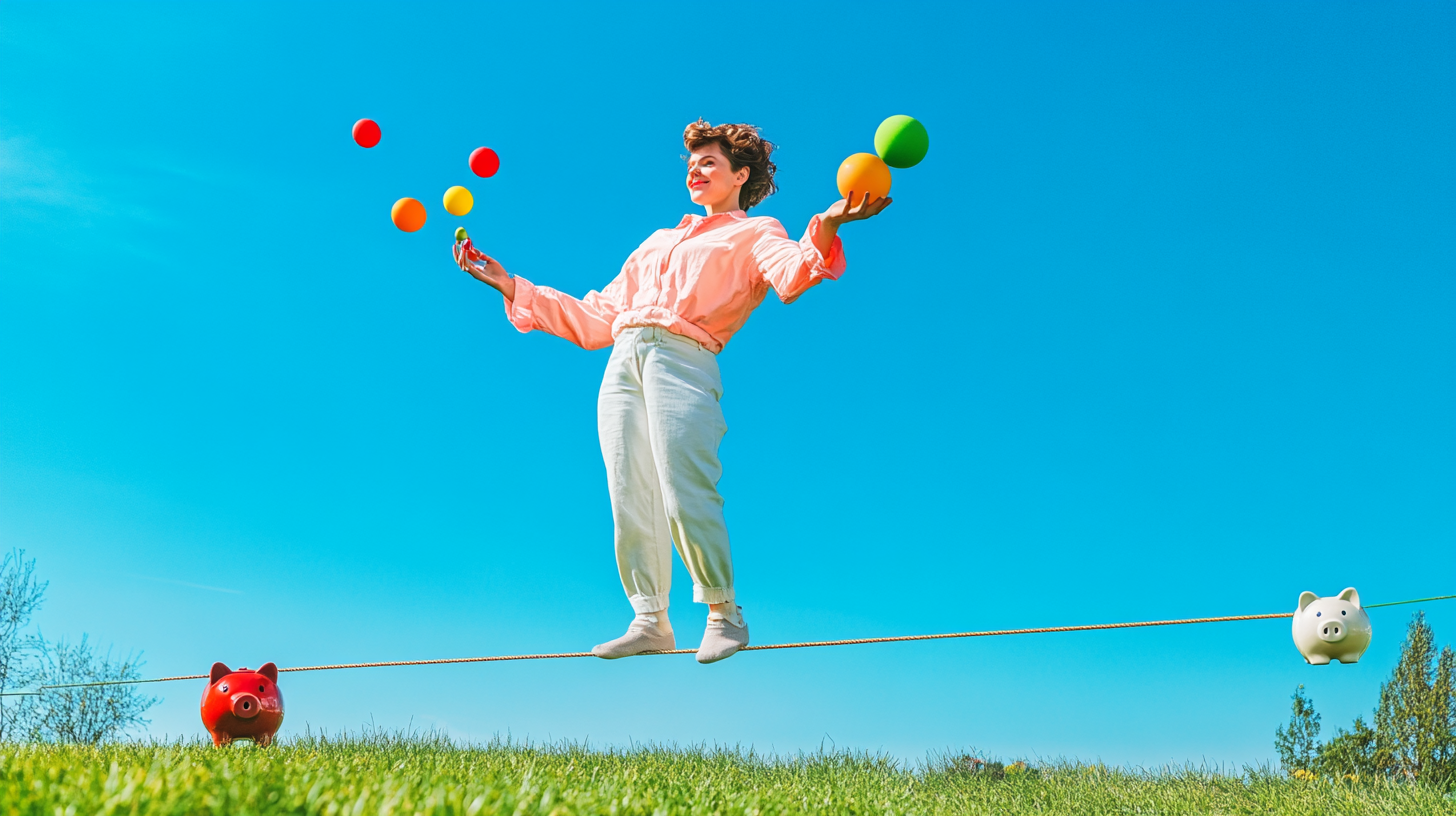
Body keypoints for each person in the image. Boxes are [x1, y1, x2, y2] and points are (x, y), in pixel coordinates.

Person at [453, 119, 890, 663]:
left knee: (684, 485)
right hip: (623, 359)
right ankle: (649, 620)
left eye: (709, 163)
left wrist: (825, 223)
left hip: (685, 357)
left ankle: (722, 612)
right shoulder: (657, 241)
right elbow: (596, 319)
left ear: (741, 176)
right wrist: (509, 284)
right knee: (628, 491)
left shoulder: (757, 232)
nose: (696, 170)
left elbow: (793, 274)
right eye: (691, 164)